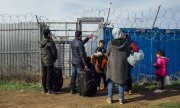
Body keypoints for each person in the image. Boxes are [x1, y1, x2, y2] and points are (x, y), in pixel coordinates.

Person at [106, 28, 130, 104]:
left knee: (110, 81)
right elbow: (129, 53)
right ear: (120, 33)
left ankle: (110, 99)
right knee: (121, 81)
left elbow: (107, 53)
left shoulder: (110, 43)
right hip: (122, 65)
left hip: (112, 65)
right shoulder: (126, 43)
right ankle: (121, 99)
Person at [40, 28, 57, 94]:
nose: (51, 34)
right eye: (50, 33)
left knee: (44, 74)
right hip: (49, 60)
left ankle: (44, 89)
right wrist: (54, 58)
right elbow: (54, 51)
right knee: (49, 74)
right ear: (48, 34)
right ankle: (49, 89)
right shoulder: (50, 42)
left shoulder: (42, 41)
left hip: (43, 60)